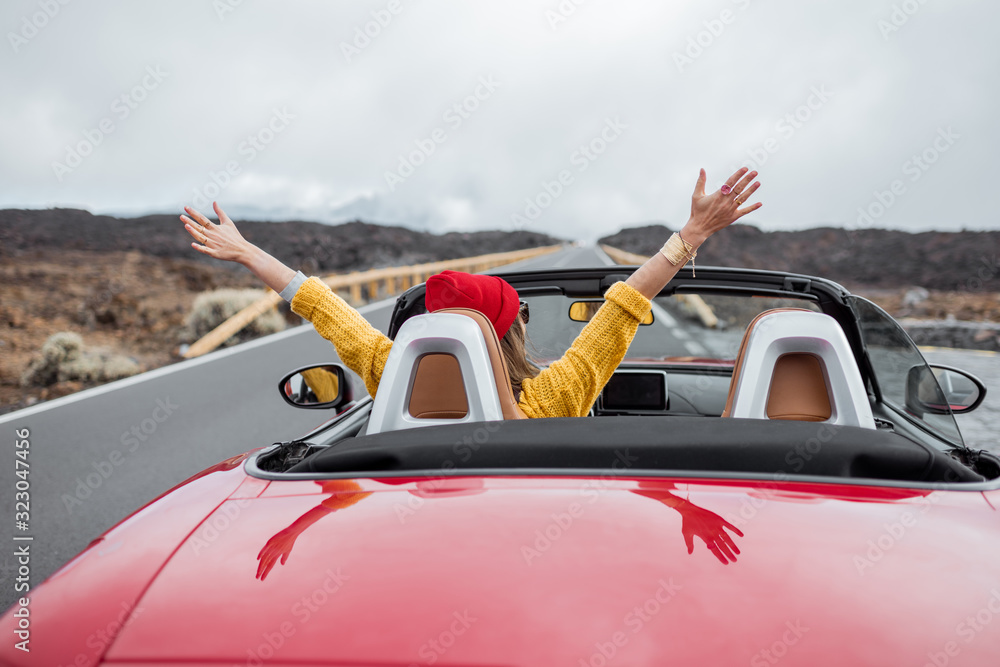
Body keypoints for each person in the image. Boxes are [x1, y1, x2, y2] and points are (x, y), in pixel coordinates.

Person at [181, 167, 762, 418]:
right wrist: (691, 235)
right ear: (508, 333)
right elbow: (622, 309)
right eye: (521, 315)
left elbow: (325, 309)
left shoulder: (392, 375)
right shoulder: (554, 397)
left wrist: (248, 252)